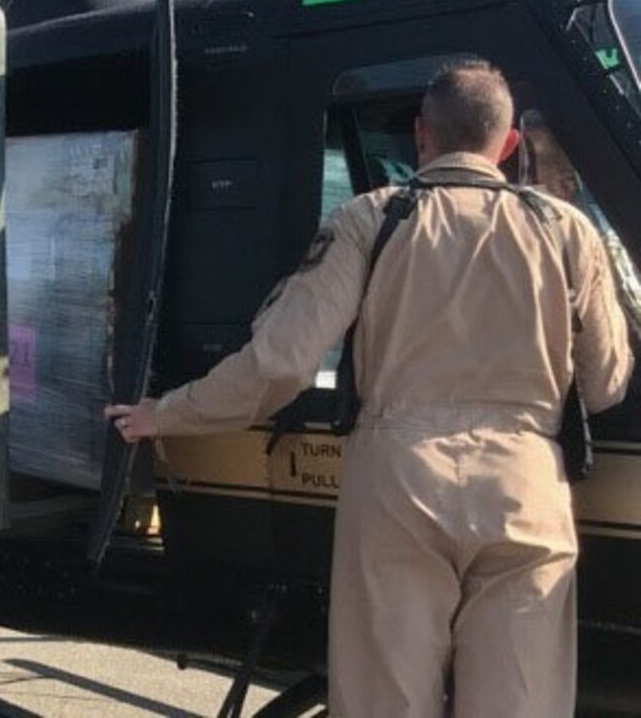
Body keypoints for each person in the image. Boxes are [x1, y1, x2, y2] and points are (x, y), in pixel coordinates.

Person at [107, 59, 633, 717]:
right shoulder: (567, 231)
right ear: (505, 144)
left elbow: (279, 365)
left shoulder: (370, 219)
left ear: (421, 136)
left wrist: (166, 413)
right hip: (527, 488)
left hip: (397, 486)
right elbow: (606, 383)